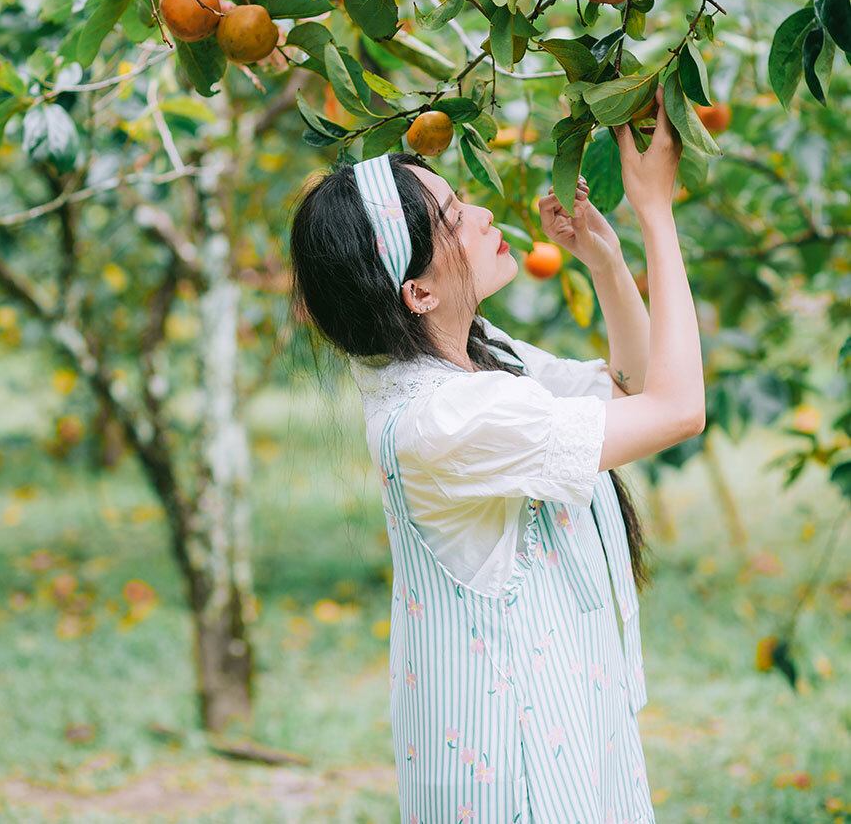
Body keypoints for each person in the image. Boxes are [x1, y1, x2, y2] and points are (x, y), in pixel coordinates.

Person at [288, 84, 704, 823]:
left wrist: (607, 266)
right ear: (415, 291)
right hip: (516, 765)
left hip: (562, 718)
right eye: (453, 218)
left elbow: (634, 390)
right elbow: (678, 410)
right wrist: (655, 210)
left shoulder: (473, 362)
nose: (482, 215)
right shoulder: (446, 418)